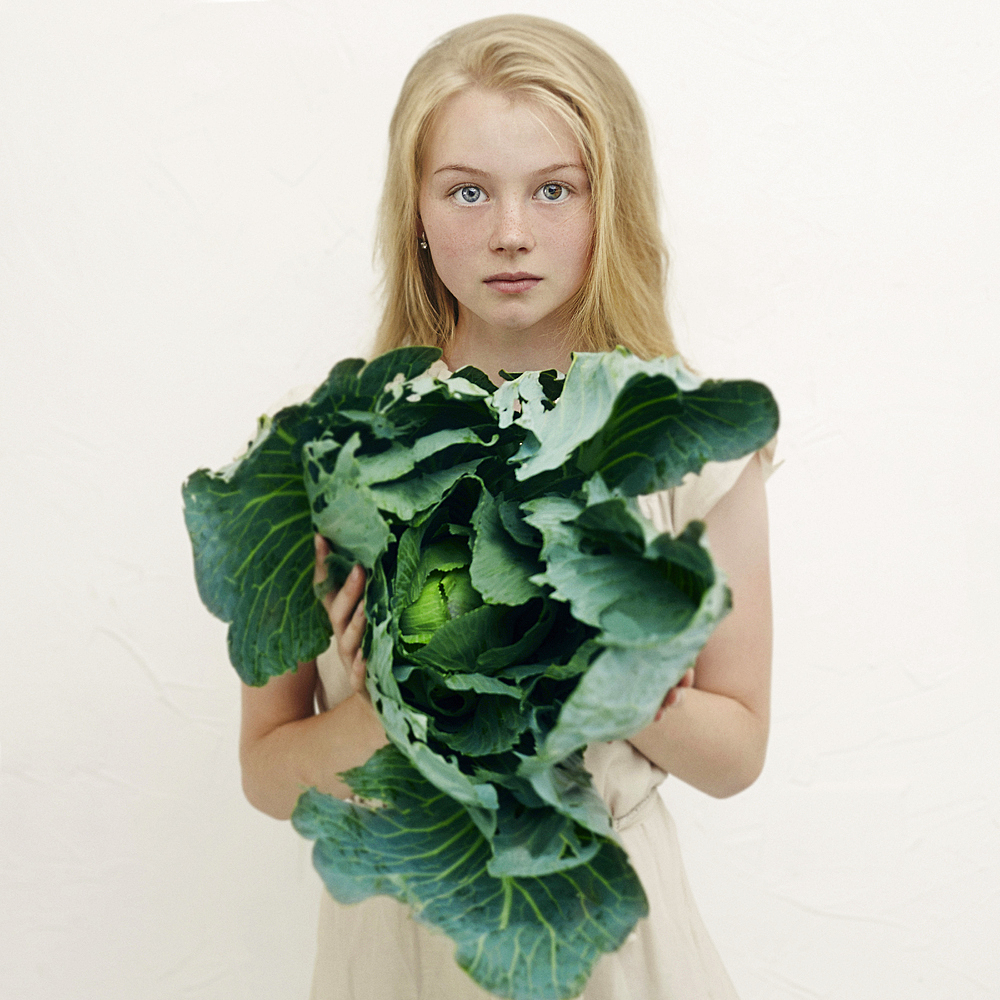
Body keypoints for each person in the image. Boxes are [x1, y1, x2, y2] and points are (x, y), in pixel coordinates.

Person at [239, 14, 774, 1000]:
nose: (511, 232)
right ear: (416, 211)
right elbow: (268, 773)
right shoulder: (331, 450)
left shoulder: (689, 443)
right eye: (468, 191)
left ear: (609, 204)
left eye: (553, 189)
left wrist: (614, 672)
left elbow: (736, 749)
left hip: (610, 943)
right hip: (396, 941)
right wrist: (392, 708)